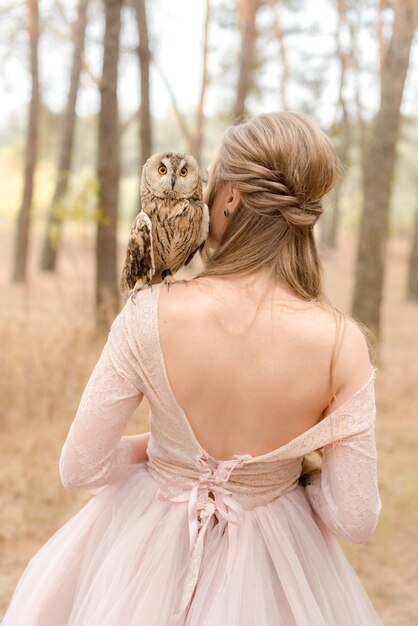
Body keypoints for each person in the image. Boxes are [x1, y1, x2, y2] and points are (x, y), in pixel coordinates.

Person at [1, 112, 382, 625]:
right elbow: (355, 519)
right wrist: (285, 478)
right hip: (276, 573)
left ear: (229, 198)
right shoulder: (343, 343)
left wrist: (159, 451)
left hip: (142, 563)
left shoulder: (149, 312)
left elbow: (81, 467)